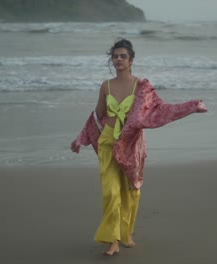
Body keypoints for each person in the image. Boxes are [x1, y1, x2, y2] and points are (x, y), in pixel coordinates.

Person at [70, 38, 207, 256]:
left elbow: (161, 109)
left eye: (123, 56)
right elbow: (97, 114)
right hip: (108, 142)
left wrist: (191, 107)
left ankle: (126, 232)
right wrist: (81, 137)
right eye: (115, 56)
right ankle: (112, 239)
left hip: (131, 144)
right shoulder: (105, 86)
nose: (118, 60)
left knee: (131, 191)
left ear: (131, 60)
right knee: (111, 192)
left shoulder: (141, 87)